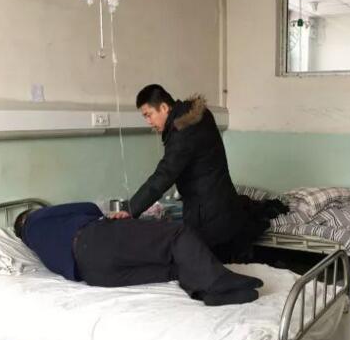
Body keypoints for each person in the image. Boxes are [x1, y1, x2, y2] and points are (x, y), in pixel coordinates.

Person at [14, 203, 263, 306]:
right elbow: (87, 207)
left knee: (172, 268)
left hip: (95, 275)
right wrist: (102, 216)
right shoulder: (37, 218)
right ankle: (218, 281)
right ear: (26, 217)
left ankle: (205, 293)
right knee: (177, 234)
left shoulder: (36, 246)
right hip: (96, 240)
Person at [110, 84, 247, 263]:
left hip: (208, 215)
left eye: (148, 115)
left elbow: (164, 175)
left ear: (164, 108)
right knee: (223, 266)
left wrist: (130, 209)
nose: (148, 122)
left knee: (206, 268)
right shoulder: (199, 115)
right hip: (221, 204)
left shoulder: (183, 132)